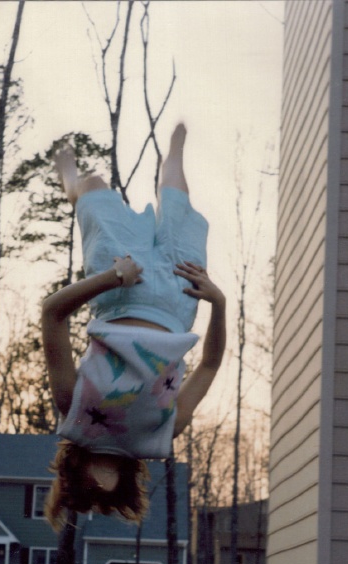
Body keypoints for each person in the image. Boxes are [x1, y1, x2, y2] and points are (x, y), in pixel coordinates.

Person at [41, 124, 226, 530]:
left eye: (92, 482)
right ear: (126, 480)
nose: (103, 475)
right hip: (179, 295)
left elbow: (52, 312)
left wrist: (112, 278)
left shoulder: (74, 405)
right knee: (176, 202)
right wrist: (219, 303)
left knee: (92, 186)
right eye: (110, 480)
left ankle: (71, 183)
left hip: (122, 286)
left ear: (75, 469)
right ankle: (173, 154)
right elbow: (209, 365)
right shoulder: (163, 430)